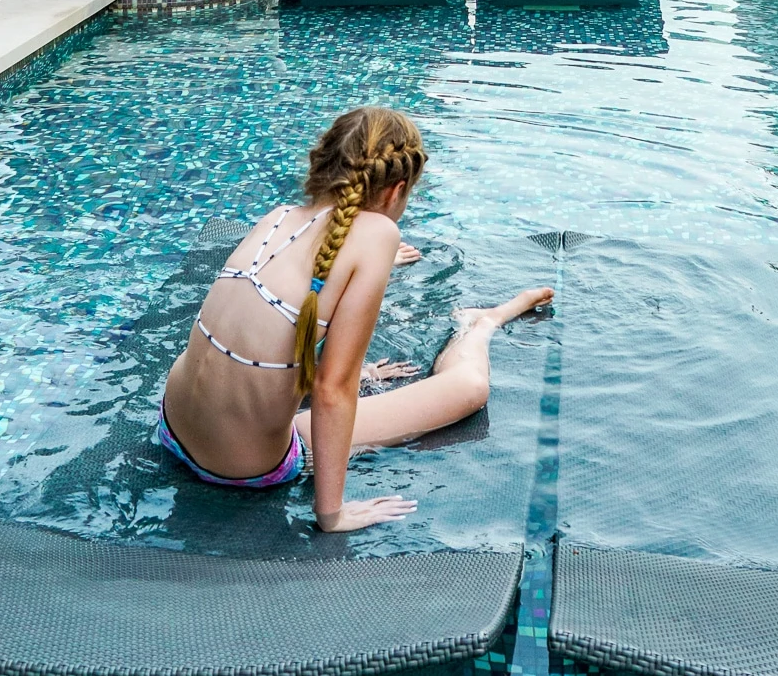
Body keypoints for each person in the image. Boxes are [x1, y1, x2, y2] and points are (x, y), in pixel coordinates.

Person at [159, 107, 553, 531]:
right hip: (243, 468)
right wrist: (332, 514)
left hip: (172, 426)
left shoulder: (276, 218)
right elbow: (333, 392)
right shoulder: (379, 234)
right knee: (468, 389)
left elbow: (262, 329)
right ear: (395, 190)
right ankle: (483, 323)